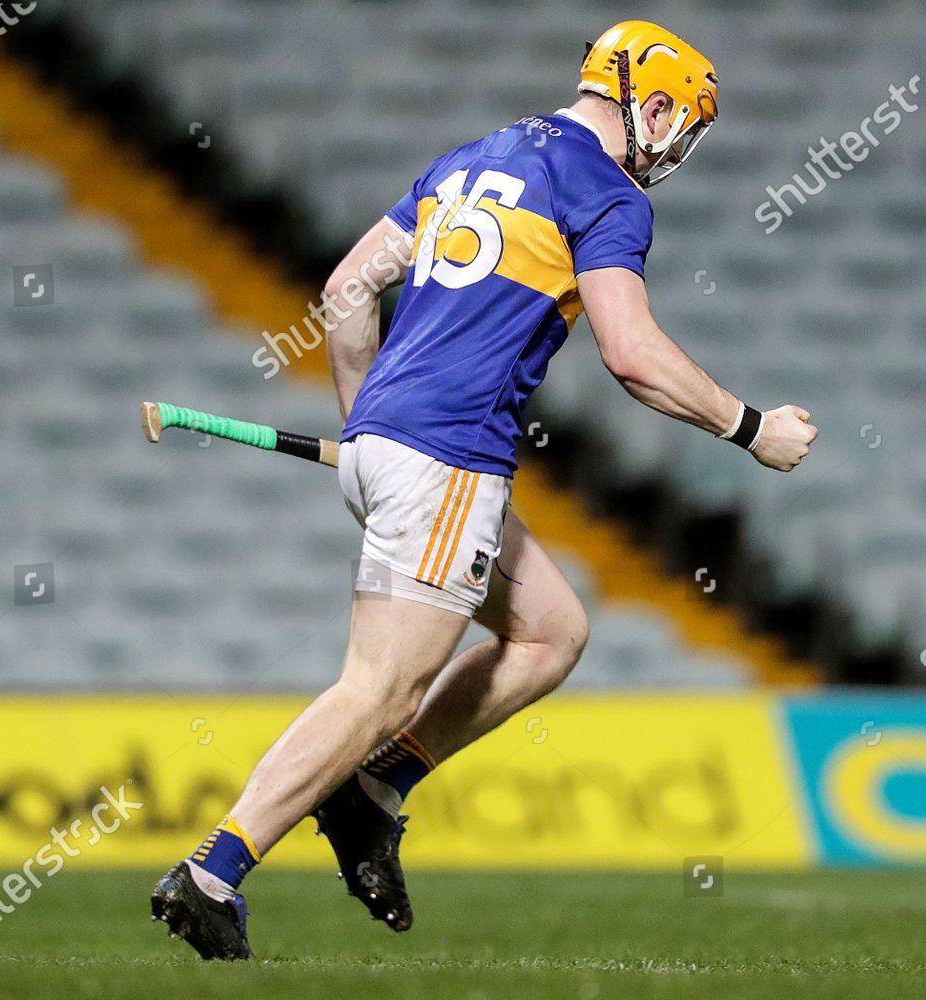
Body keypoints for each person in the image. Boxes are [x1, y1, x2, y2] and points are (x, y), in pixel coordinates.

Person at [151, 18, 816, 959]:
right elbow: (631, 355)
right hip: (451, 456)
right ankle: (214, 870)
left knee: (552, 631)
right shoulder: (608, 193)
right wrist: (751, 428)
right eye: (683, 125)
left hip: (392, 443)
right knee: (379, 688)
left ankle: (373, 793)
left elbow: (346, 292)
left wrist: (364, 423)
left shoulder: (470, 159)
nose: (678, 148)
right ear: (654, 105)